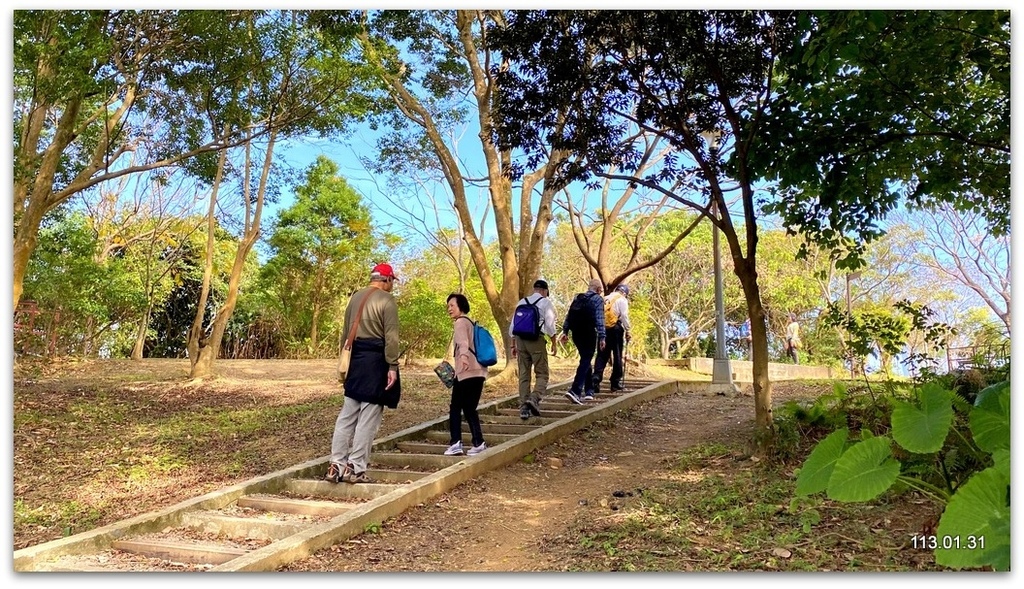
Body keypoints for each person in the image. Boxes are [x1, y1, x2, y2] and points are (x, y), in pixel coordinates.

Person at [325, 263, 401, 484]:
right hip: (376, 363)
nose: (392, 285)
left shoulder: (355, 298)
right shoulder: (387, 301)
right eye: (392, 281)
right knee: (368, 418)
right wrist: (392, 367)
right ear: (386, 279)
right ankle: (355, 468)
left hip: (355, 361)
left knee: (346, 417)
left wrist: (345, 365)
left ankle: (335, 465)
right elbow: (391, 337)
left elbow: (345, 335)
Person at [443, 293, 488, 457]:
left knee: (455, 407)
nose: (449, 309)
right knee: (470, 408)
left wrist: (463, 358)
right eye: (448, 306)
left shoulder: (461, 322)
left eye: (452, 305)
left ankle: (455, 443)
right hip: (480, 372)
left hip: (466, 371)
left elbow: (463, 343)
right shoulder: (471, 322)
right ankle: (479, 442)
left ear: (461, 305)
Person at [509, 279, 558, 420]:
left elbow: (513, 326)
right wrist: (554, 343)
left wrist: (513, 345)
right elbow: (550, 326)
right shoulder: (545, 303)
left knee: (524, 374)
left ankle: (524, 408)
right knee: (542, 373)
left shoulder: (522, 302)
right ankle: (534, 398)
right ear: (545, 291)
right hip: (536, 340)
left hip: (520, 341)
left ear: (534, 289)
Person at [560, 278, 606, 405]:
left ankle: (589, 390)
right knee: (586, 359)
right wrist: (602, 336)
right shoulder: (597, 299)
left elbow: (569, 316)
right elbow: (600, 318)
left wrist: (565, 331)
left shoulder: (578, 298)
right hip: (589, 332)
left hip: (576, 333)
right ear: (598, 290)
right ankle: (575, 390)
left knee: (585, 359)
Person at [592, 283, 631, 396]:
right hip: (615, 328)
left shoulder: (605, 298)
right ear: (624, 293)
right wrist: (628, 330)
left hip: (603, 328)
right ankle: (615, 382)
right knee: (617, 355)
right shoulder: (622, 299)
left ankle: (596, 379)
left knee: (601, 355)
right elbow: (624, 315)